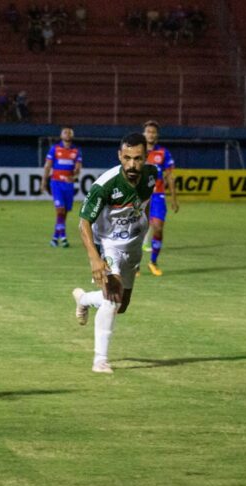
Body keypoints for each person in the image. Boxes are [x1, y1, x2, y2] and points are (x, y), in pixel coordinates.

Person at [72, 132, 159, 373]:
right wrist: (94, 257)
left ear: (146, 157)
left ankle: (84, 299)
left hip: (132, 246)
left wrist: (143, 228)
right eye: (127, 158)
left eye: (138, 158)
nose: (132, 164)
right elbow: (83, 223)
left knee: (121, 305)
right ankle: (100, 360)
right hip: (108, 245)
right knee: (113, 297)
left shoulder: (152, 175)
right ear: (120, 156)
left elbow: (144, 203)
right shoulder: (105, 185)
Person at [141, 120, 178, 276]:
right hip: (140, 195)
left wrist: (174, 199)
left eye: (153, 132)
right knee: (134, 230)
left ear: (157, 135)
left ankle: (153, 261)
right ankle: (134, 264)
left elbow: (170, 177)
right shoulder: (137, 151)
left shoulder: (163, 153)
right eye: (148, 131)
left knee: (158, 227)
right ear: (144, 134)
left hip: (157, 195)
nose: (151, 134)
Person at [41, 126, 82, 248]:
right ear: (61, 136)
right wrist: (44, 181)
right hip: (56, 183)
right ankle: (63, 237)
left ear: (72, 136)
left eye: (70, 132)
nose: (67, 134)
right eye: (65, 132)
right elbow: (47, 166)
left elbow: (78, 169)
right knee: (60, 209)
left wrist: (74, 176)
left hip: (68, 184)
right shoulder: (55, 149)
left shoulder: (76, 151)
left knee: (64, 212)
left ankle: (55, 237)